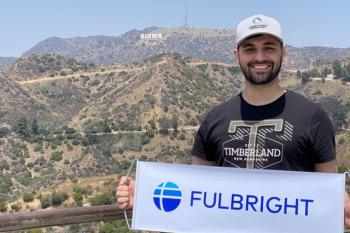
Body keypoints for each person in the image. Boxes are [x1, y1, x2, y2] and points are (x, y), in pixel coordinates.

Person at [117, 14, 350, 226]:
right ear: (237, 55)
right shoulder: (215, 119)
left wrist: (343, 205)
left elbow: (329, 194)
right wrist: (146, 195)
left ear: (283, 52)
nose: (260, 57)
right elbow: (196, 193)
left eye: (269, 48)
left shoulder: (312, 117)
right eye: (249, 49)